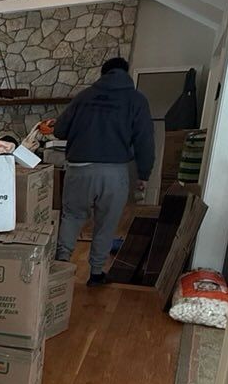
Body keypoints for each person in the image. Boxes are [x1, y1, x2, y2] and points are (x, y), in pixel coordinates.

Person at [52, 56, 155, 286]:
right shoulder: (136, 100)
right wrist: (143, 174)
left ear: (103, 73)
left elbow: (59, 130)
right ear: (126, 73)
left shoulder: (84, 96)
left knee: (72, 216)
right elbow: (145, 140)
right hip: (114, 171)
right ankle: (96, 273)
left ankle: (60, 265)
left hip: (79, 169)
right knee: (106, 222)